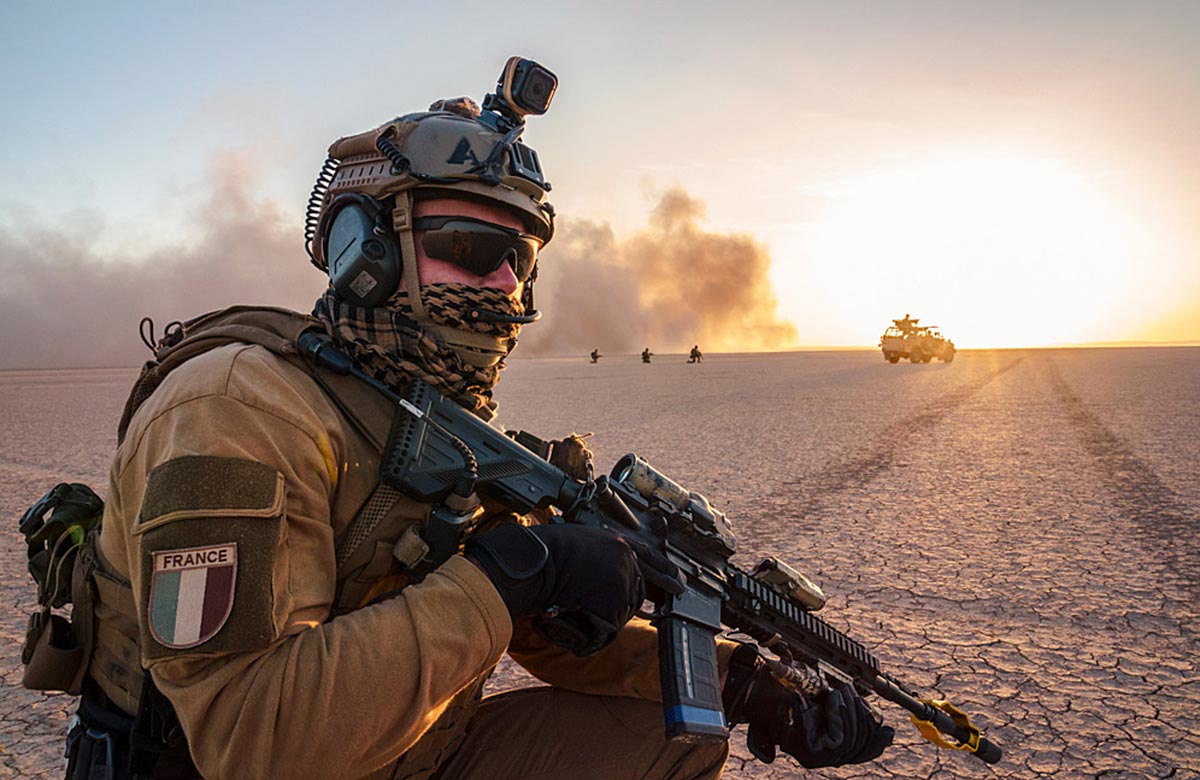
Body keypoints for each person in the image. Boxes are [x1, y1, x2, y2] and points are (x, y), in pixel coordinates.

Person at [49, 60, 890, 780]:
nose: (500, 287)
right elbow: (250, 740)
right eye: (469, 248)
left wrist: (738, 677)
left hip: (406, 751)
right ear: (366, 255)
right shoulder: (234, 408)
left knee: (675, 738)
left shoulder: (429, 413)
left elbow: (539, 634)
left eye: (519, 262)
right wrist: (508, 573)